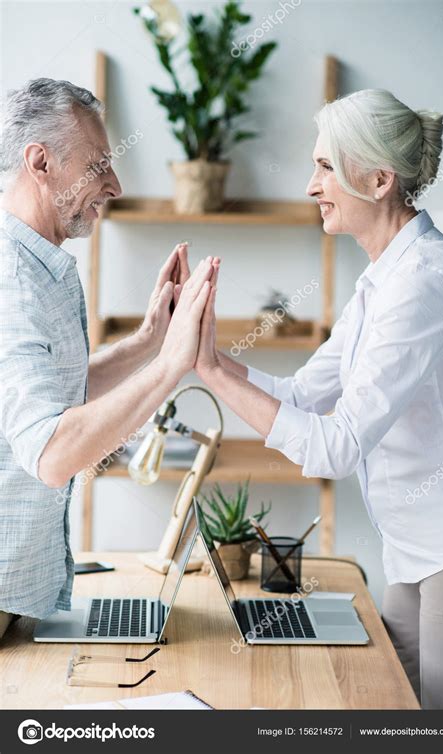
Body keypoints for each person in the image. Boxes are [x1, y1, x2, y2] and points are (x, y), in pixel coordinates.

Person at [194, 89, 443, 710]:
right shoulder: (381, 280)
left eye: (324, 167)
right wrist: (206, 357)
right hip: (412, 550)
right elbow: (299, 395)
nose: (310, 186)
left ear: (379, 179)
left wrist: (212, 376)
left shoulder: (427, 281)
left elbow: (337, 446)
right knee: (396, 712)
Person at [0, 79, 217, 639]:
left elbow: (60, 395)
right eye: (99, 166)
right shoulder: (13, 282)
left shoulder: (39, 263)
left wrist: (148, 340)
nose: (114, 185)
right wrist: (171, 364)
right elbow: (51, 451)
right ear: (40, 162)